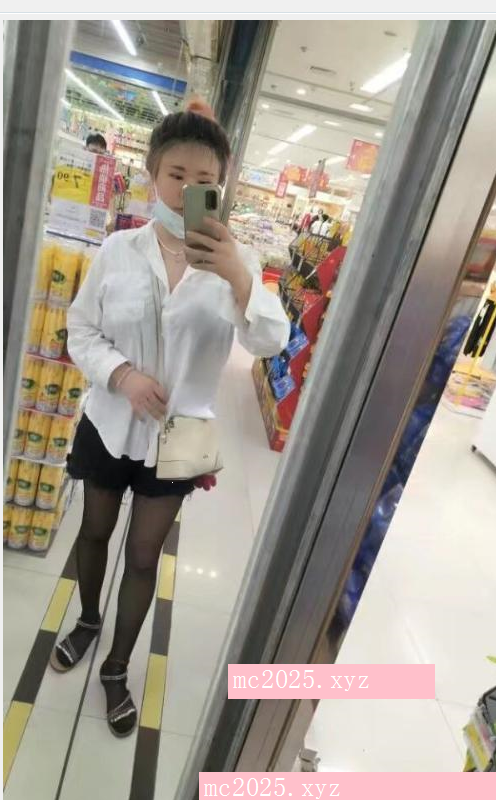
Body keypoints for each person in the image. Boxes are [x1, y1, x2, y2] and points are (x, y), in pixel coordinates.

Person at [50, 99, 290, 738]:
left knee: (143, 556)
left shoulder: (235, 265)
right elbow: (81, 329)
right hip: (110, 419)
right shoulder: (119, 249)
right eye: (177, 174)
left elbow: (271, 339)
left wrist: (237, 275)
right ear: (153, 174)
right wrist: (122, 376)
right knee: (94, 531)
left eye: (205, 180)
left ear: (221, 187)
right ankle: (88, 620)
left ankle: (117, 668)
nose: (188, 189)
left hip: (182, 436)